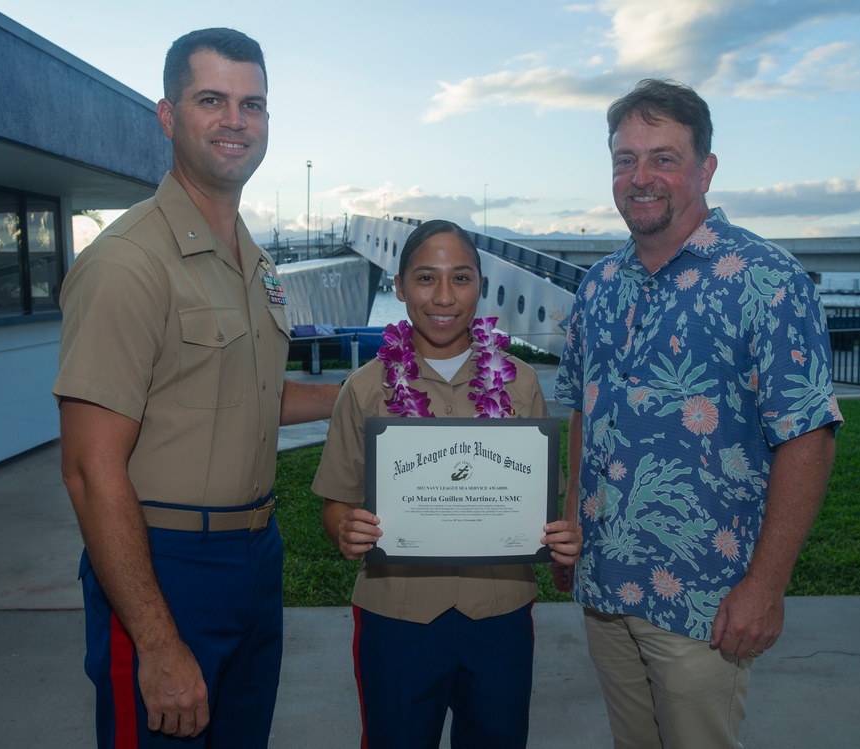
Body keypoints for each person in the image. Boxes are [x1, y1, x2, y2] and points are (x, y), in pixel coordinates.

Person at [54, 28, 339, 748]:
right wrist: (155, 640)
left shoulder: (256, 262)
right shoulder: (128, 263)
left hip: (255, 556)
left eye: (253, 103)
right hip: (162, 561)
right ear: (167, 115)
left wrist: (361, 396)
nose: (235, 121)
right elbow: (90, 470)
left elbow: (252, 399)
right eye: (212, 99)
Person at [553, 78, 843, 749]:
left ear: (705, 168)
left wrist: (767, 585)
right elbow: (582, 410)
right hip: (605, 587)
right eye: (625, 159)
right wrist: (571, 516)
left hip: (703, 601)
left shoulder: (765, 279)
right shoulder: (596, 285)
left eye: (664, 157)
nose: (641, 176)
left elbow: (809, 435)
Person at [312, 219, 582, 748]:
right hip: (398, 618)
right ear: (398, 287)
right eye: (425, 278)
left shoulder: (520, 384)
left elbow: (541, 512)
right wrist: (345, 528)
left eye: (460, 278)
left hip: (499, 614)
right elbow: (336, 502)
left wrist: (564, 540)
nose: (443, 296)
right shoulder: (365, 388)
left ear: (480, 286)